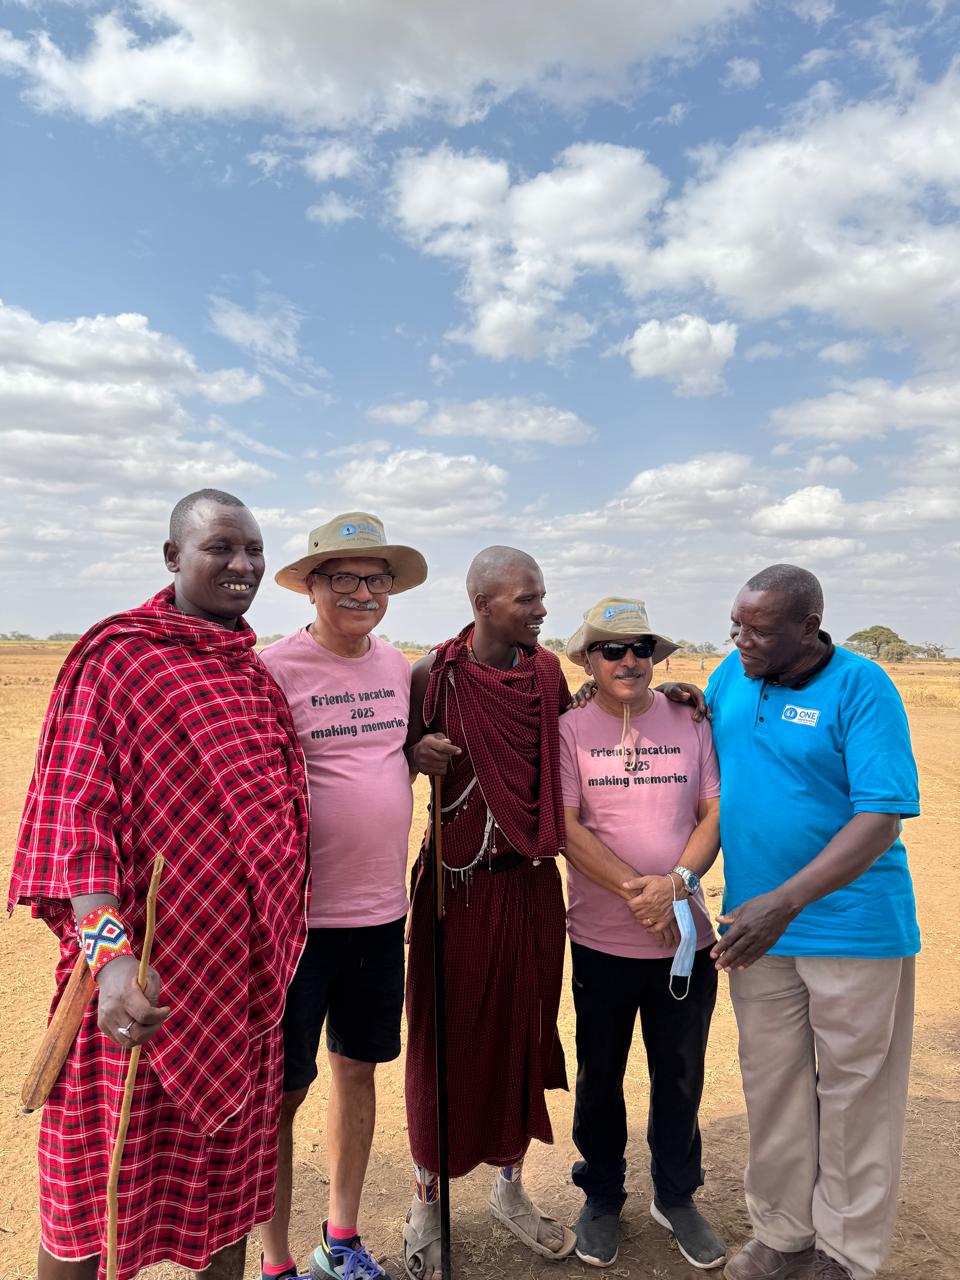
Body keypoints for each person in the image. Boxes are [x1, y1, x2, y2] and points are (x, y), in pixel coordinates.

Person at [8, 489, 310, 1280]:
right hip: (140, 984)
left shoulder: (252, 677)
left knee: (228, 1198)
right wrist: (109, 958)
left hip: (238, 988)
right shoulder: (117, 661)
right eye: (221, 548)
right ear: (174, 557)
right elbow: (78, 821)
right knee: (88, 1202)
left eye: (254, 549)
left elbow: (281, 819)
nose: (242, 564)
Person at [706, 565, 920, 1280]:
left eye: (759, 630)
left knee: (856, 1094)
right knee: (773, 1089)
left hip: (852, 930)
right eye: (737, 625)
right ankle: (783, 1235)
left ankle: (846, 1255)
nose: (741, 641)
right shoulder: (731, 677)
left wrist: (785, 902)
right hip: (755, 932)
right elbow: (703, 746)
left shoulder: (862, 687)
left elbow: (880, 818)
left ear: (808, 627)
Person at [258, 513, 428, 1280]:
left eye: (376, 579)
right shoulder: (273, 669)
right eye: (346, 579)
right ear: (312, 586)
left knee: (358, 1070)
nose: (363, 593)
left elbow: (401, 750)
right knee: (282, 1093)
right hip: (294, 923)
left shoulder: (396, 667)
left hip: (380, 914)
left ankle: (342, 1240)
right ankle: (276, 1263)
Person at [401, 546, 577, 1280]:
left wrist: (671, 698)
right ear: (481, 604)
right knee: (441, 1041)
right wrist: (416, 752)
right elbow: (385, 761)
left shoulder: (546, 675)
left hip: (528, 885)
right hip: (453, 887)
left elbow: (577, 741)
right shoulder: (432, 677)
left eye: (540, 596)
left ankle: (510, 1188)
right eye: (525, 599)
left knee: (521, 1032)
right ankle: (425, 1202)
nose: (540, 610)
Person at [559, 598, 726, 1271]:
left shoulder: (691, 717)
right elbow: (566, 827)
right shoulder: (569, 728)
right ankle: (601, 1196)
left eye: (641, 649)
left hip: (686, 940)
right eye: (612, 649)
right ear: (587, 661)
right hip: (601, 941)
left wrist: (675, 885)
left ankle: (676, 1196)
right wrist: (642, 892)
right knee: (600, 1075)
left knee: (680, 1075)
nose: (629, 661)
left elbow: (713, 810)